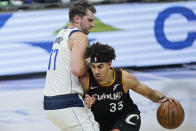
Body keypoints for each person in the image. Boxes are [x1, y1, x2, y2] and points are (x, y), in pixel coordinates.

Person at [82, 42, 179, 131]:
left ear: (109, 64)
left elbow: (149, 93)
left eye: (100, 66)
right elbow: (76, 101)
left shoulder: (124, 78)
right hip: (100, 121)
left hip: (126, 116)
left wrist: (163, 98)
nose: (96, 71)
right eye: (93, 66)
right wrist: (84, 101)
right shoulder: (87, 80)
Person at [43, 1, 99, 131]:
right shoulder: (80, 37)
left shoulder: (61, 34)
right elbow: (77, 70)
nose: (93, 24)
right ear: (77, 18)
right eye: (89, 20)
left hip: (50, 103)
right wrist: (90, 63)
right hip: (67, 103)